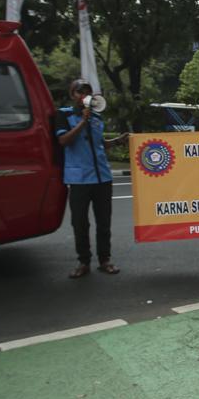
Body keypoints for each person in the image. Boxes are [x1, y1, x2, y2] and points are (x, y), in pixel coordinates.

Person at [55, 78, 120, 278]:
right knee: (80, 223)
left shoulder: (96, 117)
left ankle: (104, 260)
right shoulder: (63, 115)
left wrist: (118, 141)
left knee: (104, 222)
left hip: (102, 178)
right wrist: (83, 121)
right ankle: (83, 262)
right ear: (72, 95)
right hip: (79, 179)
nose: (84, 95)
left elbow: (100, 144)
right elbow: (64, 140)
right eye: (79, 92)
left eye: (87, 91)